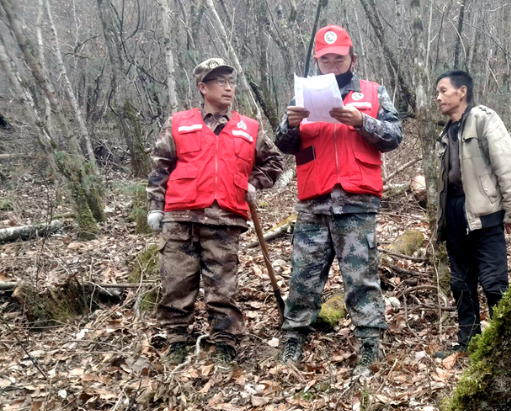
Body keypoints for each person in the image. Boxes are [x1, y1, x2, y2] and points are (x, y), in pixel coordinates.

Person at [274, 25, 403, 377]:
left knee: (361, 278)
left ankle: (370, 344)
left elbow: (394, 136)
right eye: (325, 59)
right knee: (303, 278)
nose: (332, 64)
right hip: (314, 201)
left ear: (352, 59)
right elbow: (283, 145)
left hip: (356, 201)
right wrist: (289, 124)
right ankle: (294, 338)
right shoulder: (302, 94)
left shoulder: (374, 93)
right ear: (317, 61)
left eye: (338, 58)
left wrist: (363, 122)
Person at [147, 58, 284, 364]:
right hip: (180, 217)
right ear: (202, 87)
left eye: (230, 81)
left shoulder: (249, 128)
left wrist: (253, 183)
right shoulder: (178, 123)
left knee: (223, 287)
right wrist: (156, 207)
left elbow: (274, 162)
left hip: (225, 218)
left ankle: (225, 344)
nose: (227, 87)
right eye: (219, 81)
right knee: (176, 282)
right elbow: (160, 167)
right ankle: (177, 341)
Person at [434, 70, 511, 355]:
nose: (438, 98)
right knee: (461, 283)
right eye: (437, 92)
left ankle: (504, 346)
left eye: (443, 91)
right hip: (454, 214)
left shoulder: (485, 119)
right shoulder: (445, 132)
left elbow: (507, 165)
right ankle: (469, 343)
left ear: (462, 92)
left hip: (485, 213)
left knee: (493, 282)